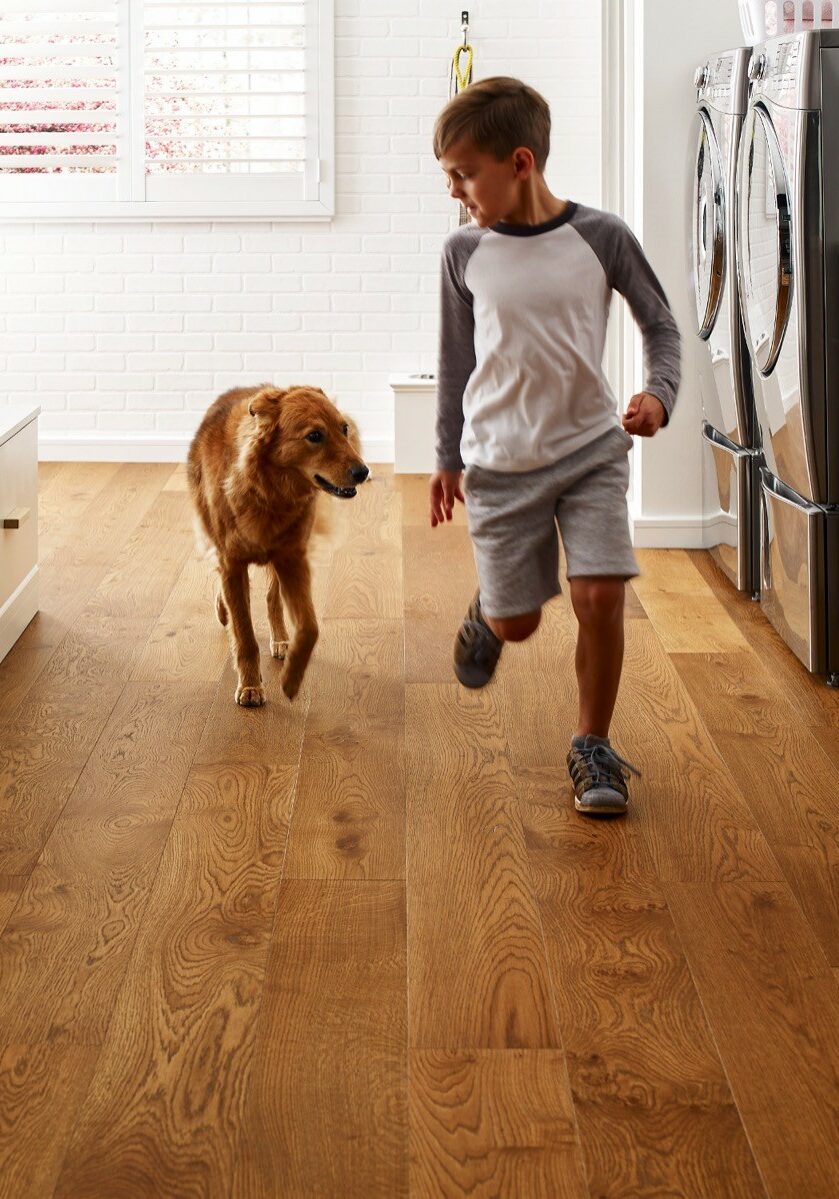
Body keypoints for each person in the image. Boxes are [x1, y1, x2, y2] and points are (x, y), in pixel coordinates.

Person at [429, 76, 681, 816]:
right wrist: (446, 456)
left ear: (518, 163)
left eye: (463, 174)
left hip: (590, 450)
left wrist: (658, 395)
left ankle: (590, 746)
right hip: (501, 464)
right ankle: (491, 613)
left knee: (599, 594)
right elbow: (455, 363)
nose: (455, 193)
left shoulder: (600, 237)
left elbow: (659, 326)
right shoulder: (462, 252)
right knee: (520, 622)